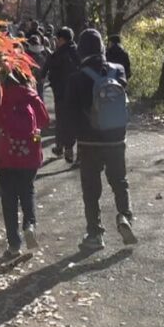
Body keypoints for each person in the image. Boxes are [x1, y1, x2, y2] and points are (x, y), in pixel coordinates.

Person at [64, 28, 136, 249]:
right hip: (116, 137)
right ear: (103, 48)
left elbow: (69, 114)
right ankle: (124, 216)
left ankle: (95, 234)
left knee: (91, 189)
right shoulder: (119, 71)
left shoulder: (76, 78)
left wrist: (67, 144)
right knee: (119, 181)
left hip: (89, 141)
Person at [0, 66, 50, 258]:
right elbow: (44, 121)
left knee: (9, 197)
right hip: (29, 152)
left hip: (6, 153)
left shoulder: (3, 96)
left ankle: (14, 244)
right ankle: (29, 225)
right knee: (27, 189)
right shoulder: (31, 95)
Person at [43, 27, 79, 163]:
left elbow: (47, 67)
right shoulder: (77, 52)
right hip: (76, 92)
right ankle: (68, 147)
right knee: (72, 120)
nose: (56, 42)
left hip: (60, 92)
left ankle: (61, 146)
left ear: (62, 39)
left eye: (57, 39)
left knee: (62, 120)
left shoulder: (58, 54)